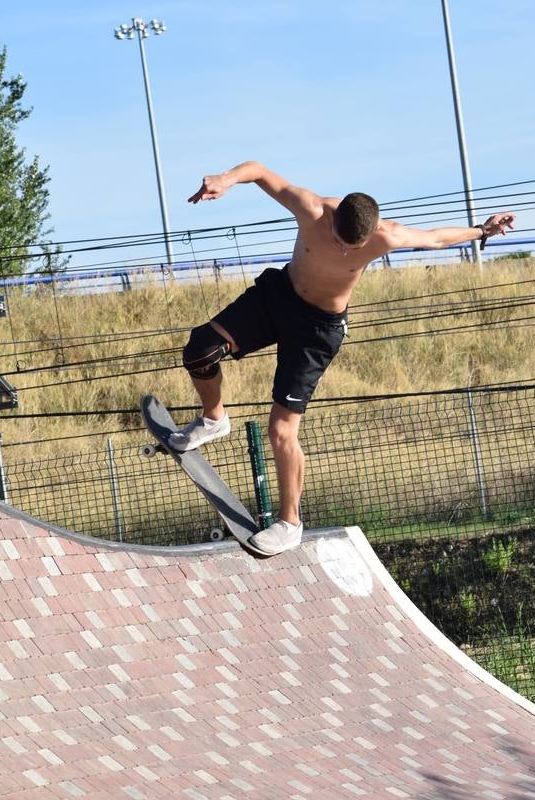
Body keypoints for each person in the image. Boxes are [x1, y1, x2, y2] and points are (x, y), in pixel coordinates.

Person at [175, 160, 515, 555]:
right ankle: (214, 419)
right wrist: (225, 180)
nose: (339, 249)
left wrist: (482, 230)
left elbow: (436, 238)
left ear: (370, 236)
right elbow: (261, 172)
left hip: (317, 331)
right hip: (278, 297)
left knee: (282, 430)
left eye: (349, 249)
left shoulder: (387, 236)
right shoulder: (311, 208)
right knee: (200, 350)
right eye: (337, 239)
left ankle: (289, 522)